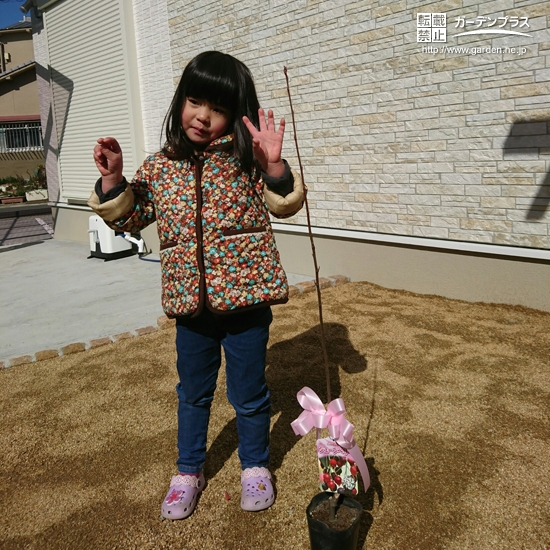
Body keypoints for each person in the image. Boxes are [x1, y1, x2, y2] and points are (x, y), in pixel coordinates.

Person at [88, 51, 304, 520]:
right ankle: (189, 470)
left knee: (249, 394)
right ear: (180, 102)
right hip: (191, 306)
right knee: (193, 392)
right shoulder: (161, 167)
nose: (203, 117)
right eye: (194, 101)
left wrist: (274, 165)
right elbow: (130, 216)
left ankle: (255, 466)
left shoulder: (248, 163)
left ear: (236, 114)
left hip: (246, 303)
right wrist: (112, 180)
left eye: (218, 109)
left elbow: (285, 204)